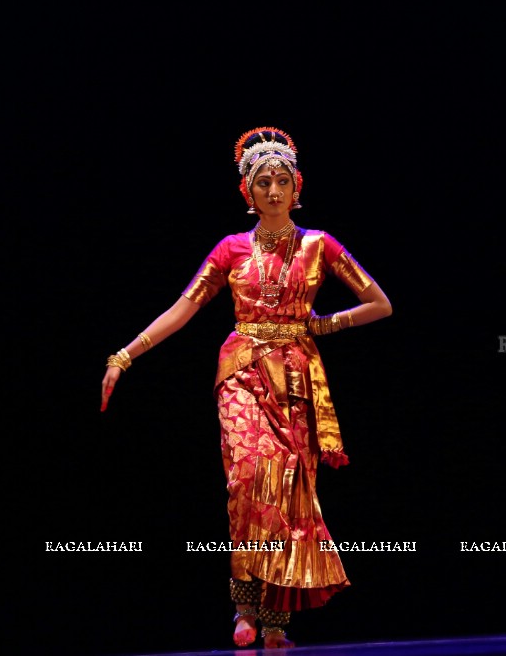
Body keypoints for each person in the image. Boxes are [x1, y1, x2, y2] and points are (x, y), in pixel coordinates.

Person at [100, 127, 392, 649]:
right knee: (247, 481)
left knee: (288, 490)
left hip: (297, 378)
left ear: (296, 186)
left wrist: (325, 325)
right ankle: (243, 605)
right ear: (248, 193)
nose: (274, 192)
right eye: (263, 183)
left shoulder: (320, 245)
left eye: (282, 181)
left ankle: (277, 621)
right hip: (241, 371)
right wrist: (125, 355)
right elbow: (184, 308)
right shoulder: (231, 249)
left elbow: (380, 304)